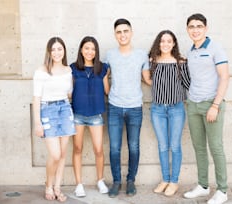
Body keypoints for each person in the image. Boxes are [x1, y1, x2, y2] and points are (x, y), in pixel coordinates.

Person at [183, 13, 230, 204]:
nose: (195, 29)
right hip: (192, 104)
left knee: (216, 148)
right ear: (187, 30)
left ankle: (222, 191)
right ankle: (203, 185)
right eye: (192, 26)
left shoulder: (215, 48)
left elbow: (225, 77)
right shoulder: (191, 51)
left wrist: (215, 105)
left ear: (206, 28)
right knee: (199, 147)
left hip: (211, 104)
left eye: (199, 26)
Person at [105, 18, 150, 198]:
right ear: (115, 35)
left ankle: (131, 180)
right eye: (119, 32)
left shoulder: (141, 55)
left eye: (125, 31)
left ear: (131, 33)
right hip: (115, 107)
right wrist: (108, 93)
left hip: (135, 108)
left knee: (133, 146)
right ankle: (116, 181)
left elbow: (148, 79)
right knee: (115, 148)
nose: (122, 35)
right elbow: (103, 75)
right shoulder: (109, 55)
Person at [146, 30, 191, 197]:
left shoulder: (180, 62)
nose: (165, 44)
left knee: (175, 146)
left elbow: (188, 83)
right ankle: (165, 179)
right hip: (157, 109)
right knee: (163, 146)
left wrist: (186, 65)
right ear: (158, 43)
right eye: (162, 41)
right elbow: (148, 78)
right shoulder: (152, 62)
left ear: (174, 44)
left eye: (168, 41)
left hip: (176, 108)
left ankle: (174, 181)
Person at [33, 37, 76, 202]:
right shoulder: (41, 71)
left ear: (64, 51)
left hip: (65, 109)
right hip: (47, 110)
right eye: (54, 49)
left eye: (60, 49)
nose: (57, 52)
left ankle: (57, 187)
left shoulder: (68, 71)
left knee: (63, 153)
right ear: (49, 52)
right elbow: (36, 98)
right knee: (55, 154)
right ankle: (48, 185)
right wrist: (38, 123)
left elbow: (69, 93)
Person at [70, 36, 110, 197]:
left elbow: (107, 91)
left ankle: (100, 180)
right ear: (81, 50)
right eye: (86, 48)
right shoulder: (72, 68)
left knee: (98, 149)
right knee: (78, 148)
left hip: (95, 115)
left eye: (93, 49)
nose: (89, 51)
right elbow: (69, 92)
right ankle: (79, 184)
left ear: (96, 51)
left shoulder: (103, 68)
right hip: (78, 114)